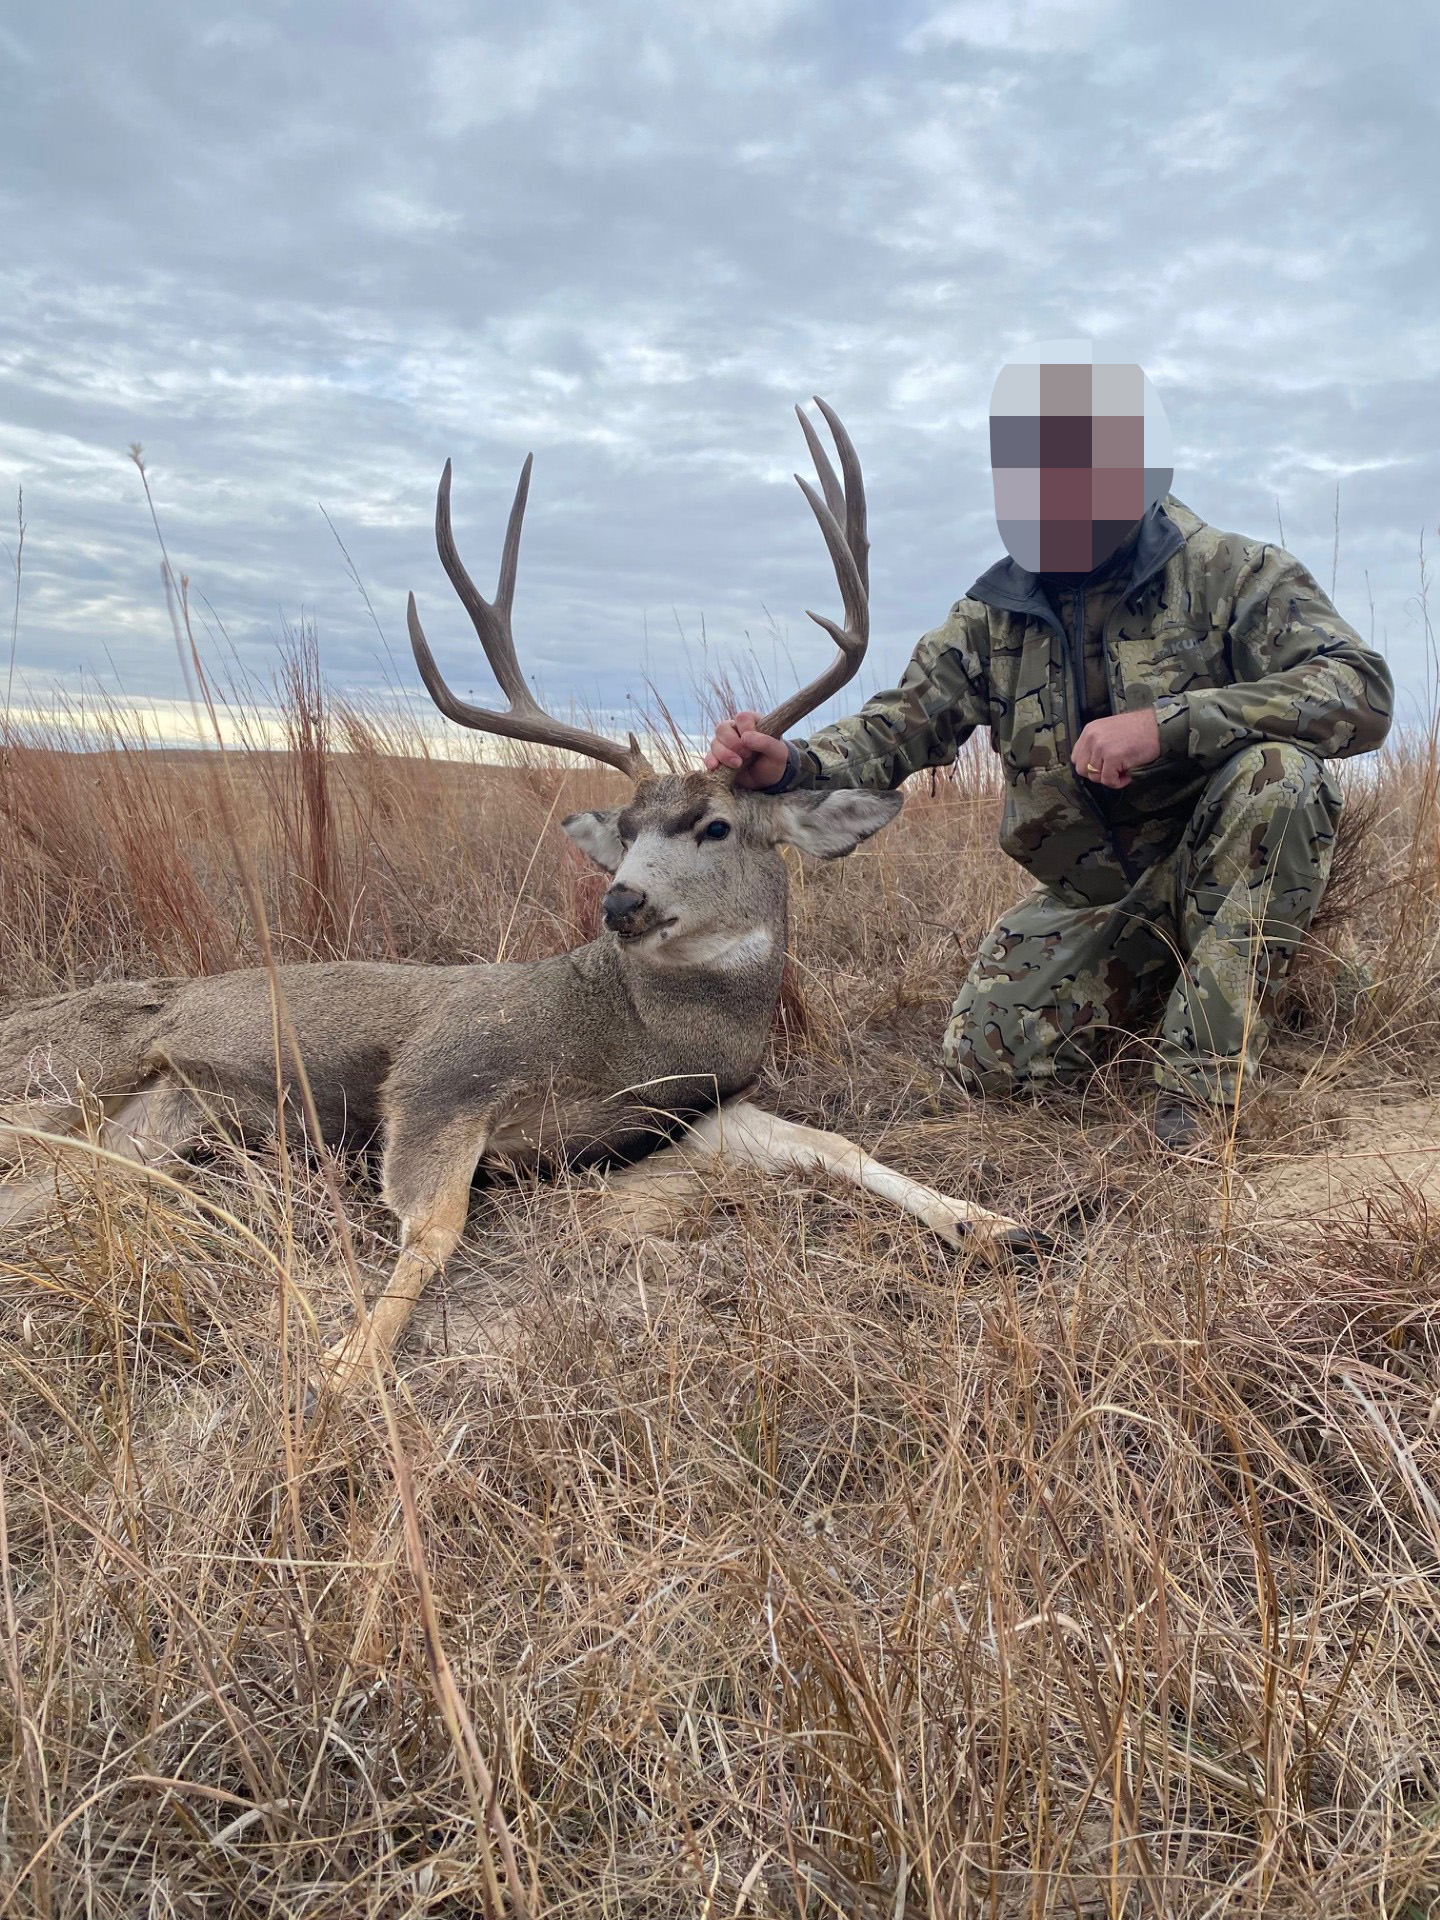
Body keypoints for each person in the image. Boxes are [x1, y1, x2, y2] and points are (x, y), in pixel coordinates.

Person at [706, 345, 1394, 1147]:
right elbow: (902, 722)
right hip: (1098, 899)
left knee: (1281, 775)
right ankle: (1183, 979)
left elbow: (1362, 691)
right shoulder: (994, 611)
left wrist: (1168, 724)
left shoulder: (1234, 573)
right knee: (987, 1058)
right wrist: (794, 763)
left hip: (1223, 863)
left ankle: (1200, 1092)